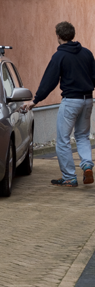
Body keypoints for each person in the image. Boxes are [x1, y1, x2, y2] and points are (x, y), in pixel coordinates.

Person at [22, 21, 95, 187]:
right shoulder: (87, 54)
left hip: (71, 101)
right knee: (83, 136)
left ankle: (69, 177)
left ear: (58, 36)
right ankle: (87, 165)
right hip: (88, 100)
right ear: (72, 34)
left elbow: (50, 80)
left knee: (63, 140)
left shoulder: (59, 56)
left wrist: (36, 100)